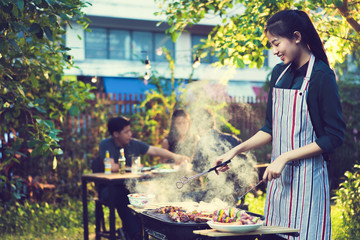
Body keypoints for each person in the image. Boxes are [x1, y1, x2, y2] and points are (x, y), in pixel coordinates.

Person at [215, 10, 345, 240]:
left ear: (296, 36)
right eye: (271, 45)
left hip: (308, 183)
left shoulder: (322, 76)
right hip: (280, 183)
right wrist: (234, 151)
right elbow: (270, 128)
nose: (274, 51)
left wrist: (285, 157)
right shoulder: (279, 73)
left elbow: (334, 137)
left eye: (276, 43)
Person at [93, 116, 190, 240]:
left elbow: (154, 150)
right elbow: (111, 166)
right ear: (116, 134)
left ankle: (145, 231)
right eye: (126, 132)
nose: (130, 134)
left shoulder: (133, 143)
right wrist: (129, 167)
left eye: (130, 131)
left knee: (147, 194)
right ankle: (136, 233)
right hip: (109, 188)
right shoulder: (106, 144)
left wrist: (176, 156)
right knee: (122, 195)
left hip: (130, 187)